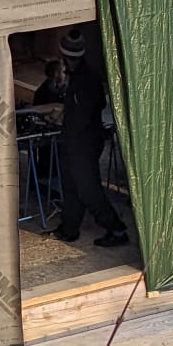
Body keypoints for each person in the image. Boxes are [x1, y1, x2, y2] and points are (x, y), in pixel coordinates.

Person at [32, 29, 128, 247]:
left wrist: (59, 121)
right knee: (71, 187)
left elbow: (82, 115)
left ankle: (116, 228)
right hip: (73, 141)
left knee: (88, 189)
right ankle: (69, 229)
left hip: (83, 143)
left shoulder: (87, 81)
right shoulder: (77, 78)